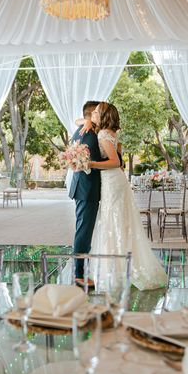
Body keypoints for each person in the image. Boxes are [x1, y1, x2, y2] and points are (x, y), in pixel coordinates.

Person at [86, 102, 168, 290]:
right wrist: (87, 122)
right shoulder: (110, 133)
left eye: (97, 112)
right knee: (119, 221)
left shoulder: (103, 134)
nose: (93, 114)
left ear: (104, 115)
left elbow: (115, 162)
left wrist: (91, 164)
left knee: (112, 220)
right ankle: (121, 266)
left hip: (112, 181)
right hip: (115, 181)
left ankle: (116, 270)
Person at [68, 101, 104, 286]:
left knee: (84, 230)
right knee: (84, 232)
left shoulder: (83, 130)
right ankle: (79, 274)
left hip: (82, 186)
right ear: (92, 115)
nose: (102, 114)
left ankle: (80, 270)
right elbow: (93, 160)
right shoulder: (88, 133)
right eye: (99, 112)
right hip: (87, 187)